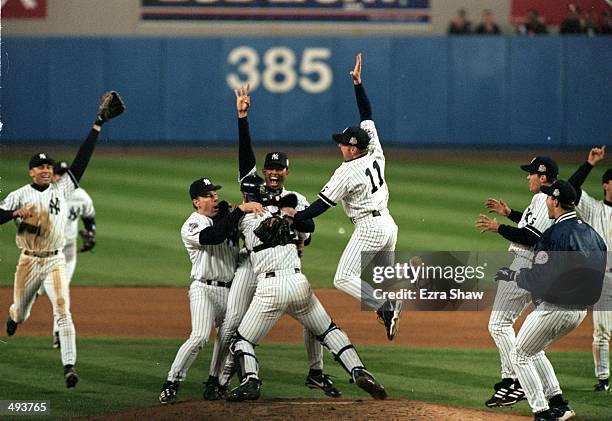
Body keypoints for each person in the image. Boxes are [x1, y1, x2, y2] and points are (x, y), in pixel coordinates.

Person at [204, 85, 340, 400]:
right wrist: (242, 118)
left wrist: (296, 233)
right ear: (265, 171)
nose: (275, 172)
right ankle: (219, 380)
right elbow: (244, 157)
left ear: (287, 172)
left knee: (312, 320)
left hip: (282, 270)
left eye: (280, 168)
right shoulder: (253, 189)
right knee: (233, 323)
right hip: (250, 267)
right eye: (271, 168)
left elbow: (308, 231)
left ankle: (316, 372)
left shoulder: (298, 199)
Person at [1, 91, 125, 388]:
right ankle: (14, 318)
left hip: (56, 260)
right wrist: (13, 213)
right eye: (40, 167)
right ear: (31, 171)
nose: (45, 170)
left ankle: (69, 365)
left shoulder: (62, 189)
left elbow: (81, 161)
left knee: (62, 310)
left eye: (48, 167)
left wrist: (97, 125)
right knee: (21, 310)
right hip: (28, 261)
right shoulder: (19, 194)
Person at [225, 176, 387, 402]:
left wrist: (235, 210)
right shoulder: (284, 214)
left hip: (270, 289)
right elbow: (306, 230)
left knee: (241, 341)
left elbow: (220, 232)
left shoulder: (243, 218)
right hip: (299, 284)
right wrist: (289, 215)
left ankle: (250, 380)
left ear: (245, 196)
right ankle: (358, 369)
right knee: (328, 331)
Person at [292, 53, 401, 341]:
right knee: (381, 278)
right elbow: (367, 114)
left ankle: (385, 306)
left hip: (370, 228)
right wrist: (358, 84)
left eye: (343, 143)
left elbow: (320, 206)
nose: (340, 146)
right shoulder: (373, 147)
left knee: (343, 278)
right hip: (389, 224)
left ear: (353, 148)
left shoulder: (347, 172)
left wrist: (295, 217)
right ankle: (391, 300)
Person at [495, 180, 607, 421]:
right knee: (533, 350)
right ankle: (558, 404)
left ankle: (542, 412)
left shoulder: (553, 234)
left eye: (548, 198)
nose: (545, 201)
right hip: (580, 312)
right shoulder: (592, 234)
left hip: (556, 308)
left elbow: (540, 278)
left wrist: (514, 275)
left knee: (519, 355)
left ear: (556, 201)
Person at [158, 178, 264, 404]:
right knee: (199, 337)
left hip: (230, 292)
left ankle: (214, 383)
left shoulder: (225, 218)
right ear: (196, 202)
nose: (214, 198)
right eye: (208, 195)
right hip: (203, 289)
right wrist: (239, 210)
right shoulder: (193, 224)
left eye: (215, 194)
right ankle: (172, 382)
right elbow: (213, 236)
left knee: (227, 340)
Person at [474, 157, 558, 407]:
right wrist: (509, 213)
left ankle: (514, 381)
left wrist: (498, 227)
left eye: (531, 174)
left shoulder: (544, 199)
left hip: (526, 263)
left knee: (499, 325)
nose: (527, 177)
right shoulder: (544, 199)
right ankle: (551, 393)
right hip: (534, 266)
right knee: (524, 338)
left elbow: (530, 237)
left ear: (542, 177)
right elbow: (531, 226)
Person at [37, 160, 96, 349]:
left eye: (64, 174)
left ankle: (58, 333)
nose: (60, 177)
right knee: (41, 288)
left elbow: (89, 217)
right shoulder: (44, 195)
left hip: (68, 250)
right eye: (58, 174)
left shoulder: (81, 196)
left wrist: (90, 233)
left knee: (61, 290)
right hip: (45, 249)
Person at [567, 146, 611, 392]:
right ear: (606, 185)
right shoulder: (593, 209)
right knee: (602, 331)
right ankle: (603, 380)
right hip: (604, 279)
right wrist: (589, 163)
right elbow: (569, 190)